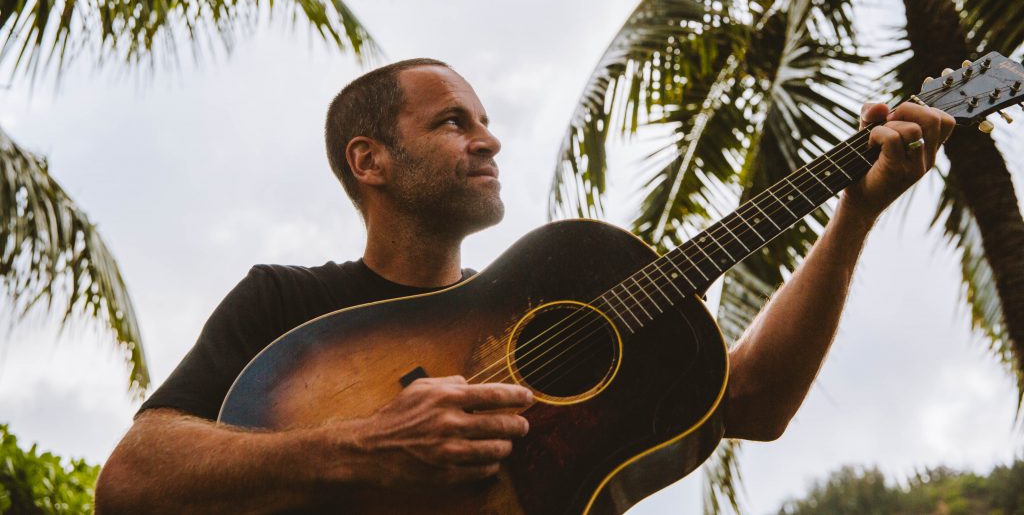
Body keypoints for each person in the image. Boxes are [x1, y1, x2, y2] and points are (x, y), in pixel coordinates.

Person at [94, 58, 956, 513]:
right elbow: (130, 481)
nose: (489, 139)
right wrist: (366, 445)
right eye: (452, 121)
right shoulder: (284, 303)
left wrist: (855, 212)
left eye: (487, 119)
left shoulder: (562, 305)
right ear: (370, 161)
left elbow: (755, 401)